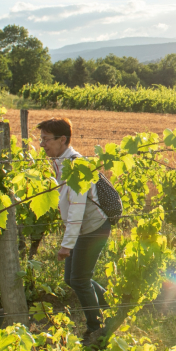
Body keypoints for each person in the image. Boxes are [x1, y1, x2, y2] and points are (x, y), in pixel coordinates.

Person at [38, 118, 110, 339]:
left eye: (46, 139)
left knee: (79, 279)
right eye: (41, 139)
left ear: (62, 140)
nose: (42, 145)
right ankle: (110, 304)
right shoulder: (61, 162)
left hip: (93, 228)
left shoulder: (76, 166)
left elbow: (77, 209)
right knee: (72, 279)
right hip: (83, 228)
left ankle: (95, 328)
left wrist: (66, 246)